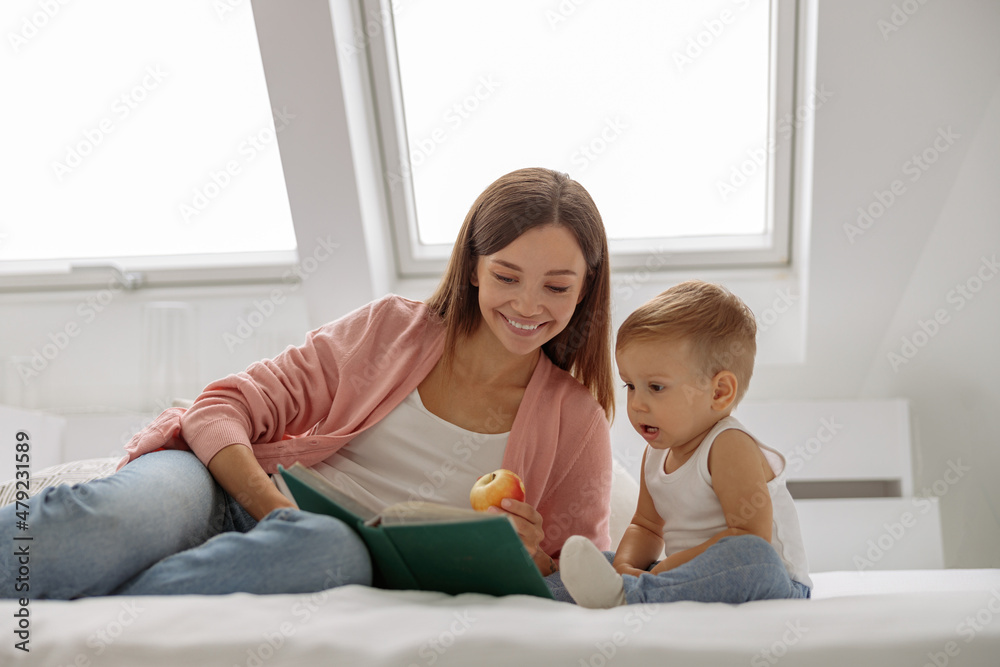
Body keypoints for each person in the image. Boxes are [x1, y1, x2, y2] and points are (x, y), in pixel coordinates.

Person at [0, 167, 615, 599]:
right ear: (474, 269)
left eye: (557, 287)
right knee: (111, 521)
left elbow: (575, 572)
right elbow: (220, 406)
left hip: (315, 549)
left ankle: (88, 602)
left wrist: (529, 556)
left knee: (330, 553)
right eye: (508, 275)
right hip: (225, 487)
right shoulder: (390, 331)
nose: (528, 304)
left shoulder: (574, 420)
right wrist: (272, 510)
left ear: (586, 287)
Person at [557, 280, 812, 608]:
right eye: (630, 386)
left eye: (656, 388)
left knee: (751, 556)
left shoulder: (728, 445)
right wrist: (626, 567)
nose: (636, 404)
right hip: (681, 574)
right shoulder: (655, 454)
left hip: (773, 581)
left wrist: (663, 569)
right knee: (605, 560)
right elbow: (645, 526)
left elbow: (749, 535)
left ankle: (631, 594)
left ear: (719, 392)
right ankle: (545, 586)